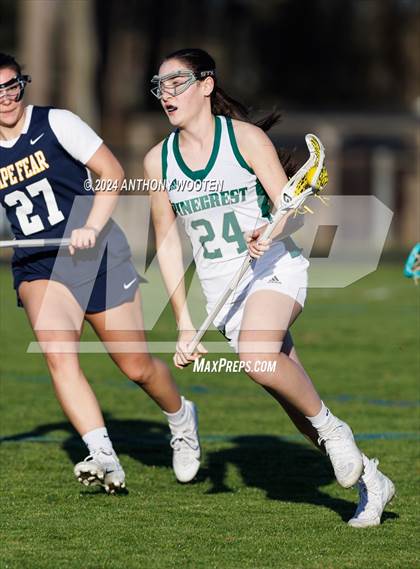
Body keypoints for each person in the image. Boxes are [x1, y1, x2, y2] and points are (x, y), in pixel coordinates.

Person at [146, 48, 395, 527]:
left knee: (258, 357)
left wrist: (270, 230)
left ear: (206, 85)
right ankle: (371, 480)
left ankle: (336, 430)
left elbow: (291, 211)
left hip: (273, 270)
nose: (166, 94)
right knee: (293, 398)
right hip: (225, 295)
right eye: (160, 85)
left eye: (177, 82)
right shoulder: (159, 160)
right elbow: (167, 242)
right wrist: (183, 322)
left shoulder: (245, 139)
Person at [0, 53, 200, 493]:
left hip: (97, 256)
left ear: (21, 86)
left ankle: (181, 418)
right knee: (57, 352)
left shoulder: (56, 124)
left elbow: (111, 171)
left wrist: (91, 226)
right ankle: (103, 456)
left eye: (11, 86)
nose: (6, 97)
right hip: (39, 264)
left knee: (136, 367)